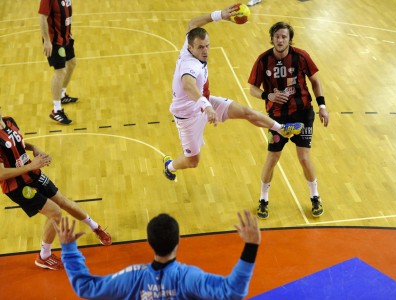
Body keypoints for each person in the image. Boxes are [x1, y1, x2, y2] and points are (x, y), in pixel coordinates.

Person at [163, 4, 304, 181]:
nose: (205, 51)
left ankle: (282, 129)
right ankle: (169, 167)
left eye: (207, 45)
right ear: (191, 49)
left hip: (206, 102)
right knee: (193, 162)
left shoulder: (189, 44)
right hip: (188, 116)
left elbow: (192, 23)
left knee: (247, 112)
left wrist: (219, 15)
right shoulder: (189, 65)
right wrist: (206, 107)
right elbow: (188, 85)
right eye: (200, 48)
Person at [54, 209, 260, 299]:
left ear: (149, 243)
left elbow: (85, 288)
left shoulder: (132, 277)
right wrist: (251, 246)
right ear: (179, 241)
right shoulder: (188, 278)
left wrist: (69, 250)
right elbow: (232, 292)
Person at [0, 108, 111, 270]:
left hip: (33, 173)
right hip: (18, 187)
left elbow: (19, 144)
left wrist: (34, 147)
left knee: (63, 202)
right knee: (55, 212)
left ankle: (96, 227)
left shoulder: (9, 120)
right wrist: (31, 165)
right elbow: (1, 174)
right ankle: (44, 256)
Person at [247, 21, 330, 219]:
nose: (280, 40)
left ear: (289, 39)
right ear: (272, 38)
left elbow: (316, 81)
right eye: (277, 36)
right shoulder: (263, 60)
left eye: (284, 36)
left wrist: (322, 107)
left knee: (304, 158)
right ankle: (263, 199)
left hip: (303, 115)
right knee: (272, 158)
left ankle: (315, 197)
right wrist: (269, 96)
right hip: (277, 118)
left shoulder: (301, 56)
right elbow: (252, 89)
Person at [39, 0, 78, 125]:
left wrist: (68, 31)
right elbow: (42, 17)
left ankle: (61, 94)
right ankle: (56, 110)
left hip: (65, 37)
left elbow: (65, 13)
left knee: (72, 63)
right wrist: (46, 40)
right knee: (60, 71)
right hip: (54, 42)